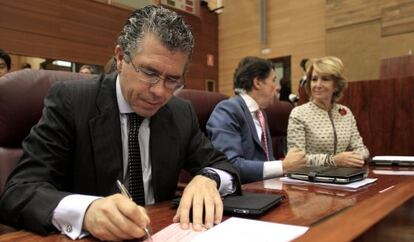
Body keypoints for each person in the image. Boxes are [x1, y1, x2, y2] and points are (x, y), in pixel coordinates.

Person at [0, 5, 240, 241]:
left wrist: (209, 178)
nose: (159, 92)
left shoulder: (180, 112)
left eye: (172, 79)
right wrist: (86, 211)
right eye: (148, 72)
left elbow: (224, 166)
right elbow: (19, 192)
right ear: (120, 58)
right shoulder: (72, 102)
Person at [206, 56, 307, 184]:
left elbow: (267, 160)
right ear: (258, 82)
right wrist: (283, 166)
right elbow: (230, 165)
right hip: (244, 196)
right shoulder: (228, 109)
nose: (277, 87)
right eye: (273, 80)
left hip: (267, 189)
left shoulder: (261, 113)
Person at [287, 56, 369, 167]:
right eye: (314, 79)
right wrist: (333, 160)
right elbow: (296, 159)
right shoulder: (299, 113)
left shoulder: (345, 112)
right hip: (312, 179)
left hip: (344, 177)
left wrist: (356, 157)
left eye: (325, 79)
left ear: (336, 85)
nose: (318, 85)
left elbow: (361, 149)